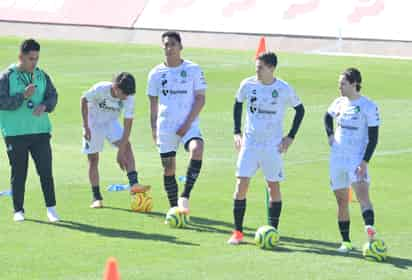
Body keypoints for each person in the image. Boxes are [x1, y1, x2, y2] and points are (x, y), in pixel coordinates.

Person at [228, 52, 305, 244]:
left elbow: (300, 110)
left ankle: (273, 231)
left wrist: (290, 137)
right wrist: (236, 132)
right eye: (256, 68)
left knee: (273, 187)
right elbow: (237, 104)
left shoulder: (283, 89)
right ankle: (237, 232)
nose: (257, 71)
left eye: (260, 68)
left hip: (272, 146)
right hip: (250, 144)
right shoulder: (248, 84)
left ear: (271, 68)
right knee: (241, 186)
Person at [147, 31, 207, 214]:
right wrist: (154, 130)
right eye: (166, 44)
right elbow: (153, 106)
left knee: (197, 149)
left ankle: (185, 195)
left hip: (189, 124)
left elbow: (200, 99)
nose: (169, 48)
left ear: (180, 47)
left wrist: (187, 124)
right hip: (165, 126)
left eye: (173, 44)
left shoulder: (193, 70)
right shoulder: (156, 74)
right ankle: (174, 208)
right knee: (168, 169)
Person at [0, 38, 59, 222]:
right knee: (19, 172)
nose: (34, 62)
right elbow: (1, 102)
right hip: (15, 133)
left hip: (40, 132)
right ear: (21, 57)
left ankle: (51, 209)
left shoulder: (42, 76)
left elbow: (53, 95)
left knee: (46, 171)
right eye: (31, 59)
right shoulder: (7, 76)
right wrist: (22, 96)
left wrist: (45, 105)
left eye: (36, 58)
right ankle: (18, 210)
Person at [324, 68, 380, 253]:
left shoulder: (368, 106)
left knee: (363, 197)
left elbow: (373, 138)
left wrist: (365, 161)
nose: (339, 86)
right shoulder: (338, 103)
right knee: (341, 201)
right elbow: (327, 117)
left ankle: (370, 234)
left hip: (356, 160)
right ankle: (346, 242)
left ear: (354, 83)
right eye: (339, 83)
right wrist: (330, 134)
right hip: (337, 159)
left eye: (343, 83)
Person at [81, 72, 150, 208]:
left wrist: (121, 151)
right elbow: (83, 100)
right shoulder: (100, 89)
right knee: (93, 159)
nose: (126, 98)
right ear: (116, 88)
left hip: (111, 122)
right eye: (124, 94)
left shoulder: (128, 96)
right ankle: (96, 197)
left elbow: (128, 123)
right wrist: (86, 126)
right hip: (93, 123)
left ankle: (133, 184)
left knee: (127, 145)